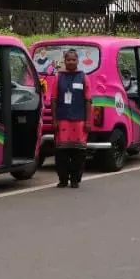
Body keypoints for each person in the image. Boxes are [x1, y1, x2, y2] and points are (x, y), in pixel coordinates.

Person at [52, 48, 90, 188]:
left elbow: (88, 101)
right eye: (68, 60)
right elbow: (54, 100)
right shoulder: (58, 77)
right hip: (62, 122)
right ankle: (63, 179)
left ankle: (75, 179)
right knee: (61, 152)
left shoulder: (84, 77)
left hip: (79, 122)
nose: (71, 62)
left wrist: (88, 121)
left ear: (78, 61)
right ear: (65, 61)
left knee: (78, 153)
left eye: (74, 60)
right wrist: (54, 120)